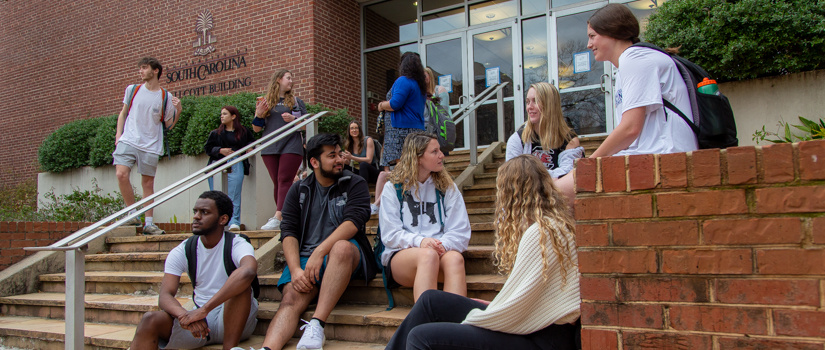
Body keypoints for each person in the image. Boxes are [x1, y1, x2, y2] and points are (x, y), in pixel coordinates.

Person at [386, 155, 581, 350]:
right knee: (430, 301)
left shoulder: (539, 234)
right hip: (536, 326)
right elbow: (525, 300)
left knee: (421, 337)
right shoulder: (552, 225)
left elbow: (516, 311)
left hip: (541, 338)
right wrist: (486, 307)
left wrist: (478, 317)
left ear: (513, 194)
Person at [555, 3, 698, 203]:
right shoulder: (626, 65)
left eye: (592, 36)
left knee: (552, 195)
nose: (588, 44)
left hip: (666, 156)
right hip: (652, 154)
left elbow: (630, 128)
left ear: (612, 32)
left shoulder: (634, 58)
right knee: (555, 195)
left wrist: (589, 163)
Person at [256, 133, 377, 350]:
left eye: (340, 154)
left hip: (347, 254)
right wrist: (294, 270)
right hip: (305, 259)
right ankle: (267, 349)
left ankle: (317, 324)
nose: (340, 159)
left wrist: (319, 252)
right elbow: (288, 231)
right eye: (332, 156)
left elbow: (354, 222)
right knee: (290, 299)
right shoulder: (299, 189)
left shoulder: (354, 183)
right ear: (314, 162)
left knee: (340, 248)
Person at [130, 191, 258, 350]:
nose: (196, 216)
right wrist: (185, 316)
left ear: (223, 219)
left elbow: (248, 271)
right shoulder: (184, 249)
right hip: (199, 323)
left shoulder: (237, 244)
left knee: (241, 286)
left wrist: (204, 310)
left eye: (205, 212)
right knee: (150, 320)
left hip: (235, 320)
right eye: (195, 211)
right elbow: (165, 295)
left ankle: (230, 348)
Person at [379, 132, 471, 303]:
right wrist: (420, 242)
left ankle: (454, 324)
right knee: (427, 255)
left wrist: (442, 245)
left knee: (455, 258)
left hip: (439, 251)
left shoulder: (447, 187)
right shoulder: (393, 188)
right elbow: (390, 235)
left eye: (440, 150)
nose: (441, 155)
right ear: (418, 157)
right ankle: (424, 324)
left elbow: (461, 231)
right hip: (403, 257)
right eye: (434, 151)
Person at [114, 57, 182, 235]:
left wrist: (178, 111)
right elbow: (123, 113)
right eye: (140, 68)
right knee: (121, 174)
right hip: (128, 139)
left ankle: (149, 224)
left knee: (148, 183)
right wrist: (118, 135)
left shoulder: (165, 96)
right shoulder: (133, 89)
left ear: (156, 71)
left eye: (144, 68)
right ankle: (132, 213)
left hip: (150, 145)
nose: (141, 71)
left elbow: (168, 125)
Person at [254, 69, 307, 230]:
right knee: (277, 182)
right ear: (278, 79)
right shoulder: (265, 101)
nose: (291, 81)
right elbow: (256, 129)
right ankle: (286, 216)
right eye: (288, 78)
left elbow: (306, 125)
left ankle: (278, 216)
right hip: (270, 145)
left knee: (284, 179)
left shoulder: (296, 102)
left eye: (292, 78)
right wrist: (258, 113)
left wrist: (294, 119)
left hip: (291, 144)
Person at [506, 82, 583, 179]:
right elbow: (512, 178)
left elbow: (568, 176)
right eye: (528, 102)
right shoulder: (518, 139)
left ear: (550, 104)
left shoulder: (569, 140)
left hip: (559, 193)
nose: (529, 107)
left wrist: (531, 177)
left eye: (536, 101)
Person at [204, 106, 255, 231]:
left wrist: (250, 148)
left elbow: (251, 143)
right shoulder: (216, 133)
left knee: (234, 194)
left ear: (233, 116)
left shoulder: (243, 131)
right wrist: (221, 150)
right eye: (221, 114)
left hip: (236, 162)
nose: (222, 116)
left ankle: (234, 221)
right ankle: (217, 222)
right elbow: (208, 149)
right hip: (218, 163)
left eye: (225, 114)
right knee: (216, 196)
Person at [377, 52, 427, 170]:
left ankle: (404, 189)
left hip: (401, 130)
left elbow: (395, 104)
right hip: (416, 129)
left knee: (403, 168)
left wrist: (381, 105)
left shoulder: (403, 80)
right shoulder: (420, 85)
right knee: (413, 166)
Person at [342, 120, 380, 185]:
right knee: (344, 167)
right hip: (361, 173)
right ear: (349, 131)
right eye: (352, 128)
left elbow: (369, 160)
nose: (354, 130)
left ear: (359, 130)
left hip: (372, 172)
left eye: (356, 128)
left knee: (363, 164)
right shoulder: (348, 144)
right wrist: (344, 159)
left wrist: (351, 157)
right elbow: (348, 162)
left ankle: (362, 189)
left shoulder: (368, 140)